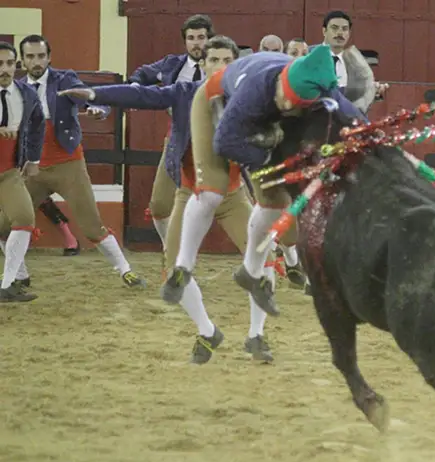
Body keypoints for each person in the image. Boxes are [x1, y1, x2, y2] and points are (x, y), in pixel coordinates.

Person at [61, 35, 293, 364]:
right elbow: (141, 94)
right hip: (191, 193)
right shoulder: (187, 94)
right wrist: (97, 93)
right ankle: (207, 330)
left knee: (263, 261)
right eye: (214, 60)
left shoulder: (252, 98)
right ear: (203, 64)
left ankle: (257, 335)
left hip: (232, 195)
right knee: (175, 272)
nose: (221, 67)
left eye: (228, 61)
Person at [163, 44, 364, 318]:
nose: (286, 105)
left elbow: (357, 122)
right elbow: (225, 143)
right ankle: (183, 266)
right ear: (282, 81)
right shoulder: (254, 89)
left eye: (295, 106)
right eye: (285, 98)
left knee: (274, 204)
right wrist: (266, 154)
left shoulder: (325, 91)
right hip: (215, 100)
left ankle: (251, 271)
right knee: (211, 194)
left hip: (267, 127)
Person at [0, 34, 146, 288]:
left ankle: (125, 270)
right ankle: (19, 275)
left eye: (41, 56)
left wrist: (97, 109)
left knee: (92, 226)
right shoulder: (17, 89)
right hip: (32, 169)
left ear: (49, 57)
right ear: (22, 60)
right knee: (5, 224)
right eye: (31, 57)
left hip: (69, 165)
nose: (37, 61)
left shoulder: (64, 79)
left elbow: (91, 95)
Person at [127, 14, 215, 245]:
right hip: (178, 141)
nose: (197, 43)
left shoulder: (220, 64)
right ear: (185, 41)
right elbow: (142, 75)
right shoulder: (171, 65)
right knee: (159, 205)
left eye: (201, 37)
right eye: (191, 38)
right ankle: (172, 252)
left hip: (217, 144)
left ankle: (272, 255)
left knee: (244, 200)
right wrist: (136, 88)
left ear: (210, 39)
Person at [0, 41, 44, 302]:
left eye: (8, 64)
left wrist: (34, 158)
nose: (3, 69)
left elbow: (38, 124)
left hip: (8, 172)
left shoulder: (26, 94)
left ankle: (7, 286)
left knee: (24, 219)